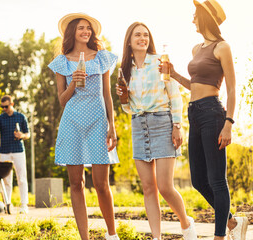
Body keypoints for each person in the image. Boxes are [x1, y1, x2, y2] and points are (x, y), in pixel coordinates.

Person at [164, 1, 248, 239]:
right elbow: (195, 86)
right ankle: (232, 221)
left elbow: (231, 88)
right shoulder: (196, 48)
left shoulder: (223, 47)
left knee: (217, 179)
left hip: (213, 113)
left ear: (205, 17)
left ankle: (219, 235)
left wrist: (229, 123)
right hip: (195, 113)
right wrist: (175, 73)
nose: (192, 19)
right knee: (199, 180)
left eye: (195, 15)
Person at [116, 22, 197, 240]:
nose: (142, 38)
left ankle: (186, 224)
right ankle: (156, 237)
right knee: (148, 188)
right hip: (138, 125)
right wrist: (123, 97)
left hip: (162, 123)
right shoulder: (124, 69)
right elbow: (127, 107)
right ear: (129, 41)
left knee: (165, 187)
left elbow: (175, 95)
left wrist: (177, 125)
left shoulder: (161, 62)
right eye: (137, 35)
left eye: (145, 35)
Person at [48, 13, 119, 240]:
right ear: (72, 32)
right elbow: (61, 100)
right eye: (80, 28)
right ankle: (84, 238)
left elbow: (107, 95)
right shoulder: (62, 62)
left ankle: (112, 234)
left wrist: (112, 126)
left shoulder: (102, 58)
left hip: (98, 121)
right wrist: (73, 83)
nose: (85, 31)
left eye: (88, 28)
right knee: (76, 183)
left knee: (101, 184)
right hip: (72, 123)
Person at [0, 95, 30, 214]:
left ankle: (24, 205)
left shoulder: (21, 117)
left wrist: (22, 136)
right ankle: (7, 205)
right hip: (4, 152)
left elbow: (28, 134)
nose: (4, 109)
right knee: (6, 180)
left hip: (18, 151)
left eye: (6, 106)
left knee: (22, 178)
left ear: (12, 104)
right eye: (2, 107)